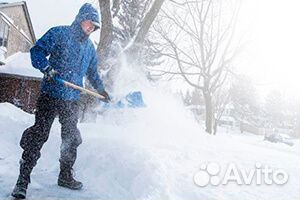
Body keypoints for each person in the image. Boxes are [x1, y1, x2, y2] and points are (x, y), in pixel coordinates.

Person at [11, 3, 110, 199]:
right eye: (90, 23)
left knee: (71, 138)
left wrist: (101, 89)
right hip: (51, 94)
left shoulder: (90, 48)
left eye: (94, 27)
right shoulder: (59, 33)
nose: (91, 28)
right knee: (38, 135)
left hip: (72, 100)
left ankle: (65, 175)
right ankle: (22, 181)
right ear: (81, 18)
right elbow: (37, 51)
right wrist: (47, 68)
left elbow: (92, 72)